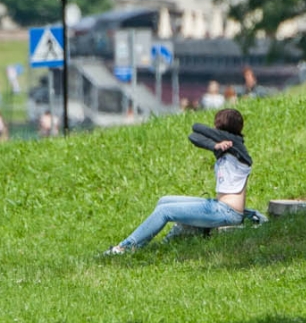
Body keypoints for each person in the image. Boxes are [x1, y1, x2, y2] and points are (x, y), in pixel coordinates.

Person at [104, 108, 255, 254]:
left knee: (165, 211)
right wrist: (214, 145)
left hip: (228, 212)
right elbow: (194, 135)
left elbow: (198, 127)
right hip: (218, 206)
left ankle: (126, 248)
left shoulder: (237, 147)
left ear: (221, 128)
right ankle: (170, 238)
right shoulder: (224, 148)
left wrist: (218, 142)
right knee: (164, 201)